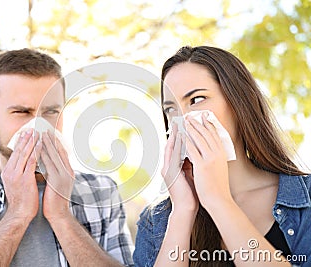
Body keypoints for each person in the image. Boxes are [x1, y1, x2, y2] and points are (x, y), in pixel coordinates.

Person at [0, 48, 134, 267]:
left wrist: (62, 217)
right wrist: (17, 215)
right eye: (22, 112)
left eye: (51, 112)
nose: (39, 126)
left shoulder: (102, 193)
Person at [133, 45, 311, 267]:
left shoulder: (307, 200)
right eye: (171, 110)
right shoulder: (156, 221)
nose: (183, 118)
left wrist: (218, 199)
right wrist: (183, 211)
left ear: (239, 103)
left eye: (196, 100)